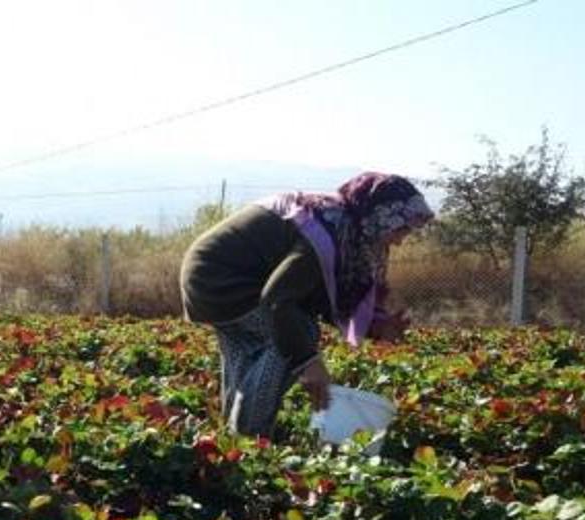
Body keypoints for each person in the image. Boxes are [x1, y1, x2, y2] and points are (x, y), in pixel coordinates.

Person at [178, 172, 434, 437]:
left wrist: (376, 326)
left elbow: (320, 295)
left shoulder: (342, 225)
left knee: (246, 351)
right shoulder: (325, 231)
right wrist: (308, 361)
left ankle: (231, 435)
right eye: (400, 228)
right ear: (382, 216)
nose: (399, 240)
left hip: (207, 277)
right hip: (223, 280)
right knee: (294, 336)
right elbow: (278, 300)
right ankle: (250, 437)